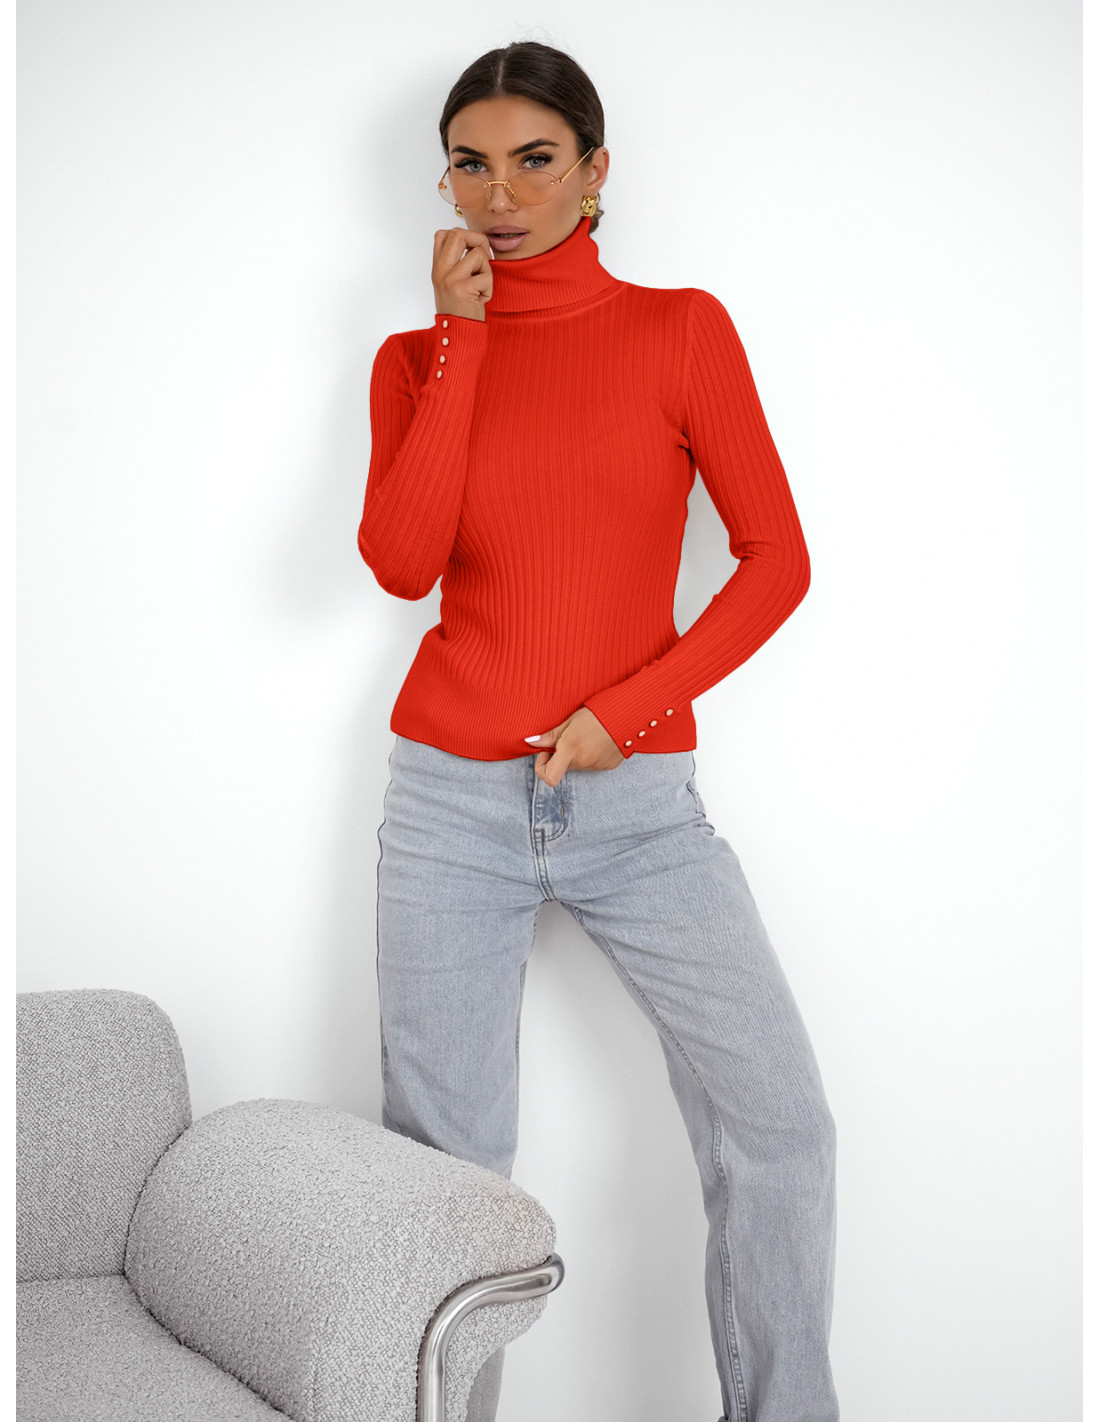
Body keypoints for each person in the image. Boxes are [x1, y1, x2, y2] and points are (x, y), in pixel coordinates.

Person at [358, 40, 838, 1422]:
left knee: (782, 1126)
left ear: (595, 171)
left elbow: (777, 561)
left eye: (535, 160)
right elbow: (400, 561)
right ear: (444, 180)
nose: (500, 195)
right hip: (450, 805)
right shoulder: (412, 358)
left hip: (639, 811)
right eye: (470, 164)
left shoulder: (680, 331)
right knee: (449, 1177)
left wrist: (627, 714)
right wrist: (460, 340)